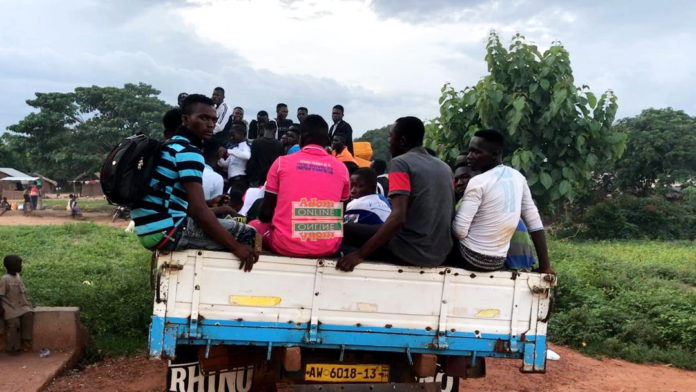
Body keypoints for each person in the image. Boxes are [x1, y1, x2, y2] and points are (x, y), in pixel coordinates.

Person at [130, 94, 258, 271]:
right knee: (247, 233)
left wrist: (209, 204)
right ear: (185, 119)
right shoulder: (189, 152)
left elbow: (181, 204)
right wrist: (237, 248)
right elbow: (198, 212)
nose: (211, 124)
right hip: (168, 231)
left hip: (148, 229)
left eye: (213, 119)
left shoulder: (170, 145)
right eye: (203, 118)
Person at [338, 117, 454, 271]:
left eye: (390, 136)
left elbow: (398, 218)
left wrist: (360, 254)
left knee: (345, 232)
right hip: (439, 253)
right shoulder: (445, 167)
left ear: (402, 140)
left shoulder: (401, 163)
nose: (388, 141)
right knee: (356, 229)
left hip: (410, 251)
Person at [452, 129, 553, 274]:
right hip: (498, 261)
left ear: (495, 154)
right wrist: (545, 267)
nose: (469, 156)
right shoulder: (518, 177)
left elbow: (460, 231)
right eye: (469, 151)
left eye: (476, 152)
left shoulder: (478, 181)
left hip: (469, 258)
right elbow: (534, 222)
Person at [250, 115, 350, 257]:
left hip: (286, 245)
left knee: (255, 225)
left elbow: (265, 215)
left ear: (301, 137)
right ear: (327, 140)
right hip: (328, 246)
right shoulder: (342, 169)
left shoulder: (281, 163)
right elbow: (339, 216)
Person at [0, 255, 33, 354]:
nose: (21, 266)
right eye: (19, 264)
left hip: (21, 307)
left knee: (28, 315)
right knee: (14, 324)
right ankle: (13, 347)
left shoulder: (18, 277)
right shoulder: (5, 279)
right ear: (11, 266)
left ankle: (25, 339)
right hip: (9, 308)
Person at [246, 121, 285, 187]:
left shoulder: (256, 142)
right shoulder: (279, 144)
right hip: (271, 178)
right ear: (275, 130)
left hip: (256, 178)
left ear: (264, 128)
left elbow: (252, 160)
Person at [218, 124, 251, 195]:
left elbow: (247, 156)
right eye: (230, 135)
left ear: (242, 135)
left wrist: (228, 151)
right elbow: (226, 164)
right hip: (232, 180)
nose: (231, 137)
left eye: (233, 134)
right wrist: (219, 156)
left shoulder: (245, 147)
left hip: (240, 179)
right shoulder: (235, 149)